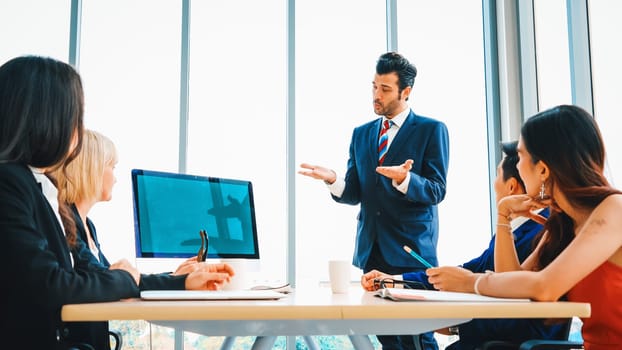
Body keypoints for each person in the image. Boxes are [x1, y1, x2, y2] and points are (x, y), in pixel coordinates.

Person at [0, 55, 233, 350]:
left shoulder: (41, 190)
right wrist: (125, 278)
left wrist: (181, 283)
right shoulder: (10, 183)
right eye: (73, 117)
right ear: (45, 119)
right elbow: (49, 285)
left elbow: (93, 276)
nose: (76, 131)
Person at [426, 105, 622, 350]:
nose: (516, 167)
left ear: (542, 169)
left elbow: (544, 286)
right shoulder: (565, 224)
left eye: (520, 157)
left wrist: (471, 282)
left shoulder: (615, 209)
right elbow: (515, 288)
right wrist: (503, 216)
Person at [299, 51, 449, 350]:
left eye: (385, 89)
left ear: (405, 92)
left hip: (410, 251)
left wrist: (404, 179)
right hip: (373, 252)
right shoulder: (362, 134)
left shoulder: (432, 130)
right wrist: (332, 179)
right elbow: (355, 192)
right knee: (388, 337)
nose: (376, 95)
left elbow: (436, 190)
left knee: (417, 337)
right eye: (374, 86)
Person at [362, 141, 564, 349]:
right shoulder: (522, 228)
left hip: (507, 343)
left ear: (512, 185)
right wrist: (395, 279)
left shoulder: (543, 231)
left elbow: (510, 293)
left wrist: (456, 324)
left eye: (497, 174)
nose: (494, 183)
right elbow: (470, 271)